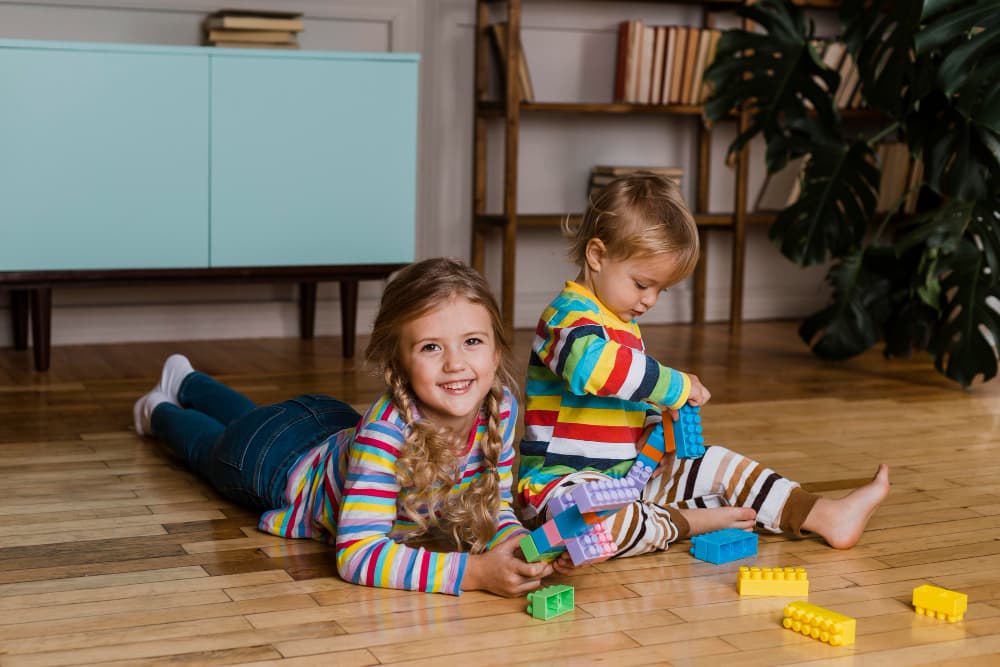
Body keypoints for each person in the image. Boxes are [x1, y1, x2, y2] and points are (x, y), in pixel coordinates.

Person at [518, 172, 890, 568]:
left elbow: (628, 397)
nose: (650, 301)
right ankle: (686, 523)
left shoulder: (623, 325)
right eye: (642, 284)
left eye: (661, 290)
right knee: (591, 524)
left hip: (629, 478)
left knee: (718, 465)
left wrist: (650, 433)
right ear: (597, 255)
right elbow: (596, 370)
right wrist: (675, 384)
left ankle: (822, 515)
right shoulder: (566, 321)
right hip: (560, 485)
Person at [134, 257, 552, 596]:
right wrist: (475, 572)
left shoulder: (498, 407)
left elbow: (495, 505)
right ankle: (158, 409)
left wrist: (518, 546)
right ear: (398, 366)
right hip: (272, 461)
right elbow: (358, 554)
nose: (456, 363)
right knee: (211, 448)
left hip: (328, 424)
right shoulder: (386, 434)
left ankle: (186, 379)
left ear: (497, 352)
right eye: (430, 347)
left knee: (250, 420)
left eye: (472, 342)